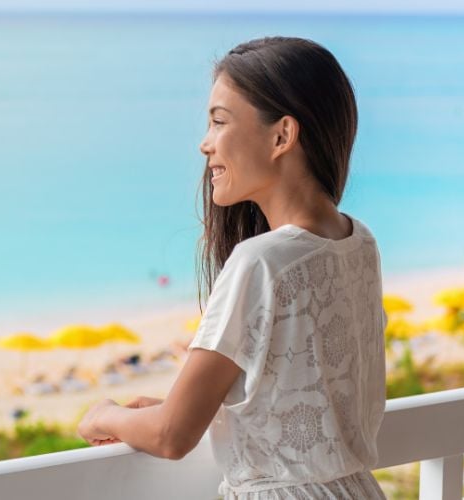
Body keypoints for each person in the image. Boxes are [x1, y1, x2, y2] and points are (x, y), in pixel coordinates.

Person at [78, 37, 387, 499]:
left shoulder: (261, 261)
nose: (205, 145)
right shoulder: (358, 242)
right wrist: (189, 409)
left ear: (282, 135)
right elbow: (303, 404)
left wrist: (105, 413)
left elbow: (170, 436)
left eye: (219, 121)